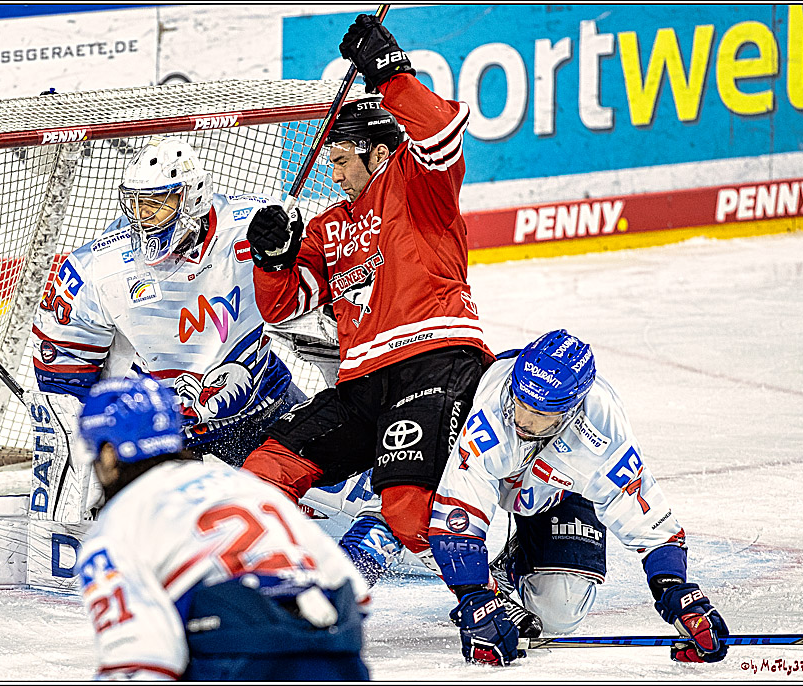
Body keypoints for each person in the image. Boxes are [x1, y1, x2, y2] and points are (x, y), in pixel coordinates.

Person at [241, 13, 492, 584]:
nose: (332, 172)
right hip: (359, 385)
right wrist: (273, 258)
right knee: (261, 472)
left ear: (377, 151)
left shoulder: (416, 180)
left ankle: (492, 578)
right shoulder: (329, 224)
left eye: (341, 160)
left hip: (433, 357)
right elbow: (284, 305)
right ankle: (291, 578)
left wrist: (390, 71)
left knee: (407, 512)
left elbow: (441, 129)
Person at [427, 329, 731, 666]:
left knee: (559, 614)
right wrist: (475, 598)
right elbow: (457, 511)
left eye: (540, 416)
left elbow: (644, 517)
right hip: (481, 467)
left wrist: (674, 589)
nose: (523, 422)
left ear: (572, 410)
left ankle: (516, 562)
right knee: (422, 530)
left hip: (556, 492)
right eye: (520, 405)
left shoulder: (601, 428)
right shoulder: (492, 411)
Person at [32, 134, 309, 467]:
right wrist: (91, 437)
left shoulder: (254, 225)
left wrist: (282, 254)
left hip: (270, 400)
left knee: (341, 496)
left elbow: (302, 294)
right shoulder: (100, 265)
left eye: (157, 202)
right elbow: (62, 368)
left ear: (193, 196)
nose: (143, 217)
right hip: (175, 435)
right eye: (136, 203)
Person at [74, 376, 371, 680]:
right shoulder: (246, 485)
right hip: (338, 651)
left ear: (110, 454)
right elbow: (355, 592)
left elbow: (142, 659)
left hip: (237, 657)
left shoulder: (116, 525)